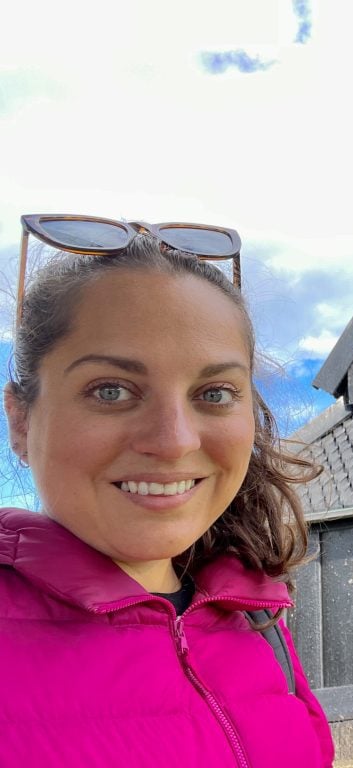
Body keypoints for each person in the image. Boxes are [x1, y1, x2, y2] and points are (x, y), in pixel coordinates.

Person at [0, 217, 334, 767]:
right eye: (111, 390)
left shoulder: (256, 622)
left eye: (215, 392)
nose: (175, 441)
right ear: (19, 420)